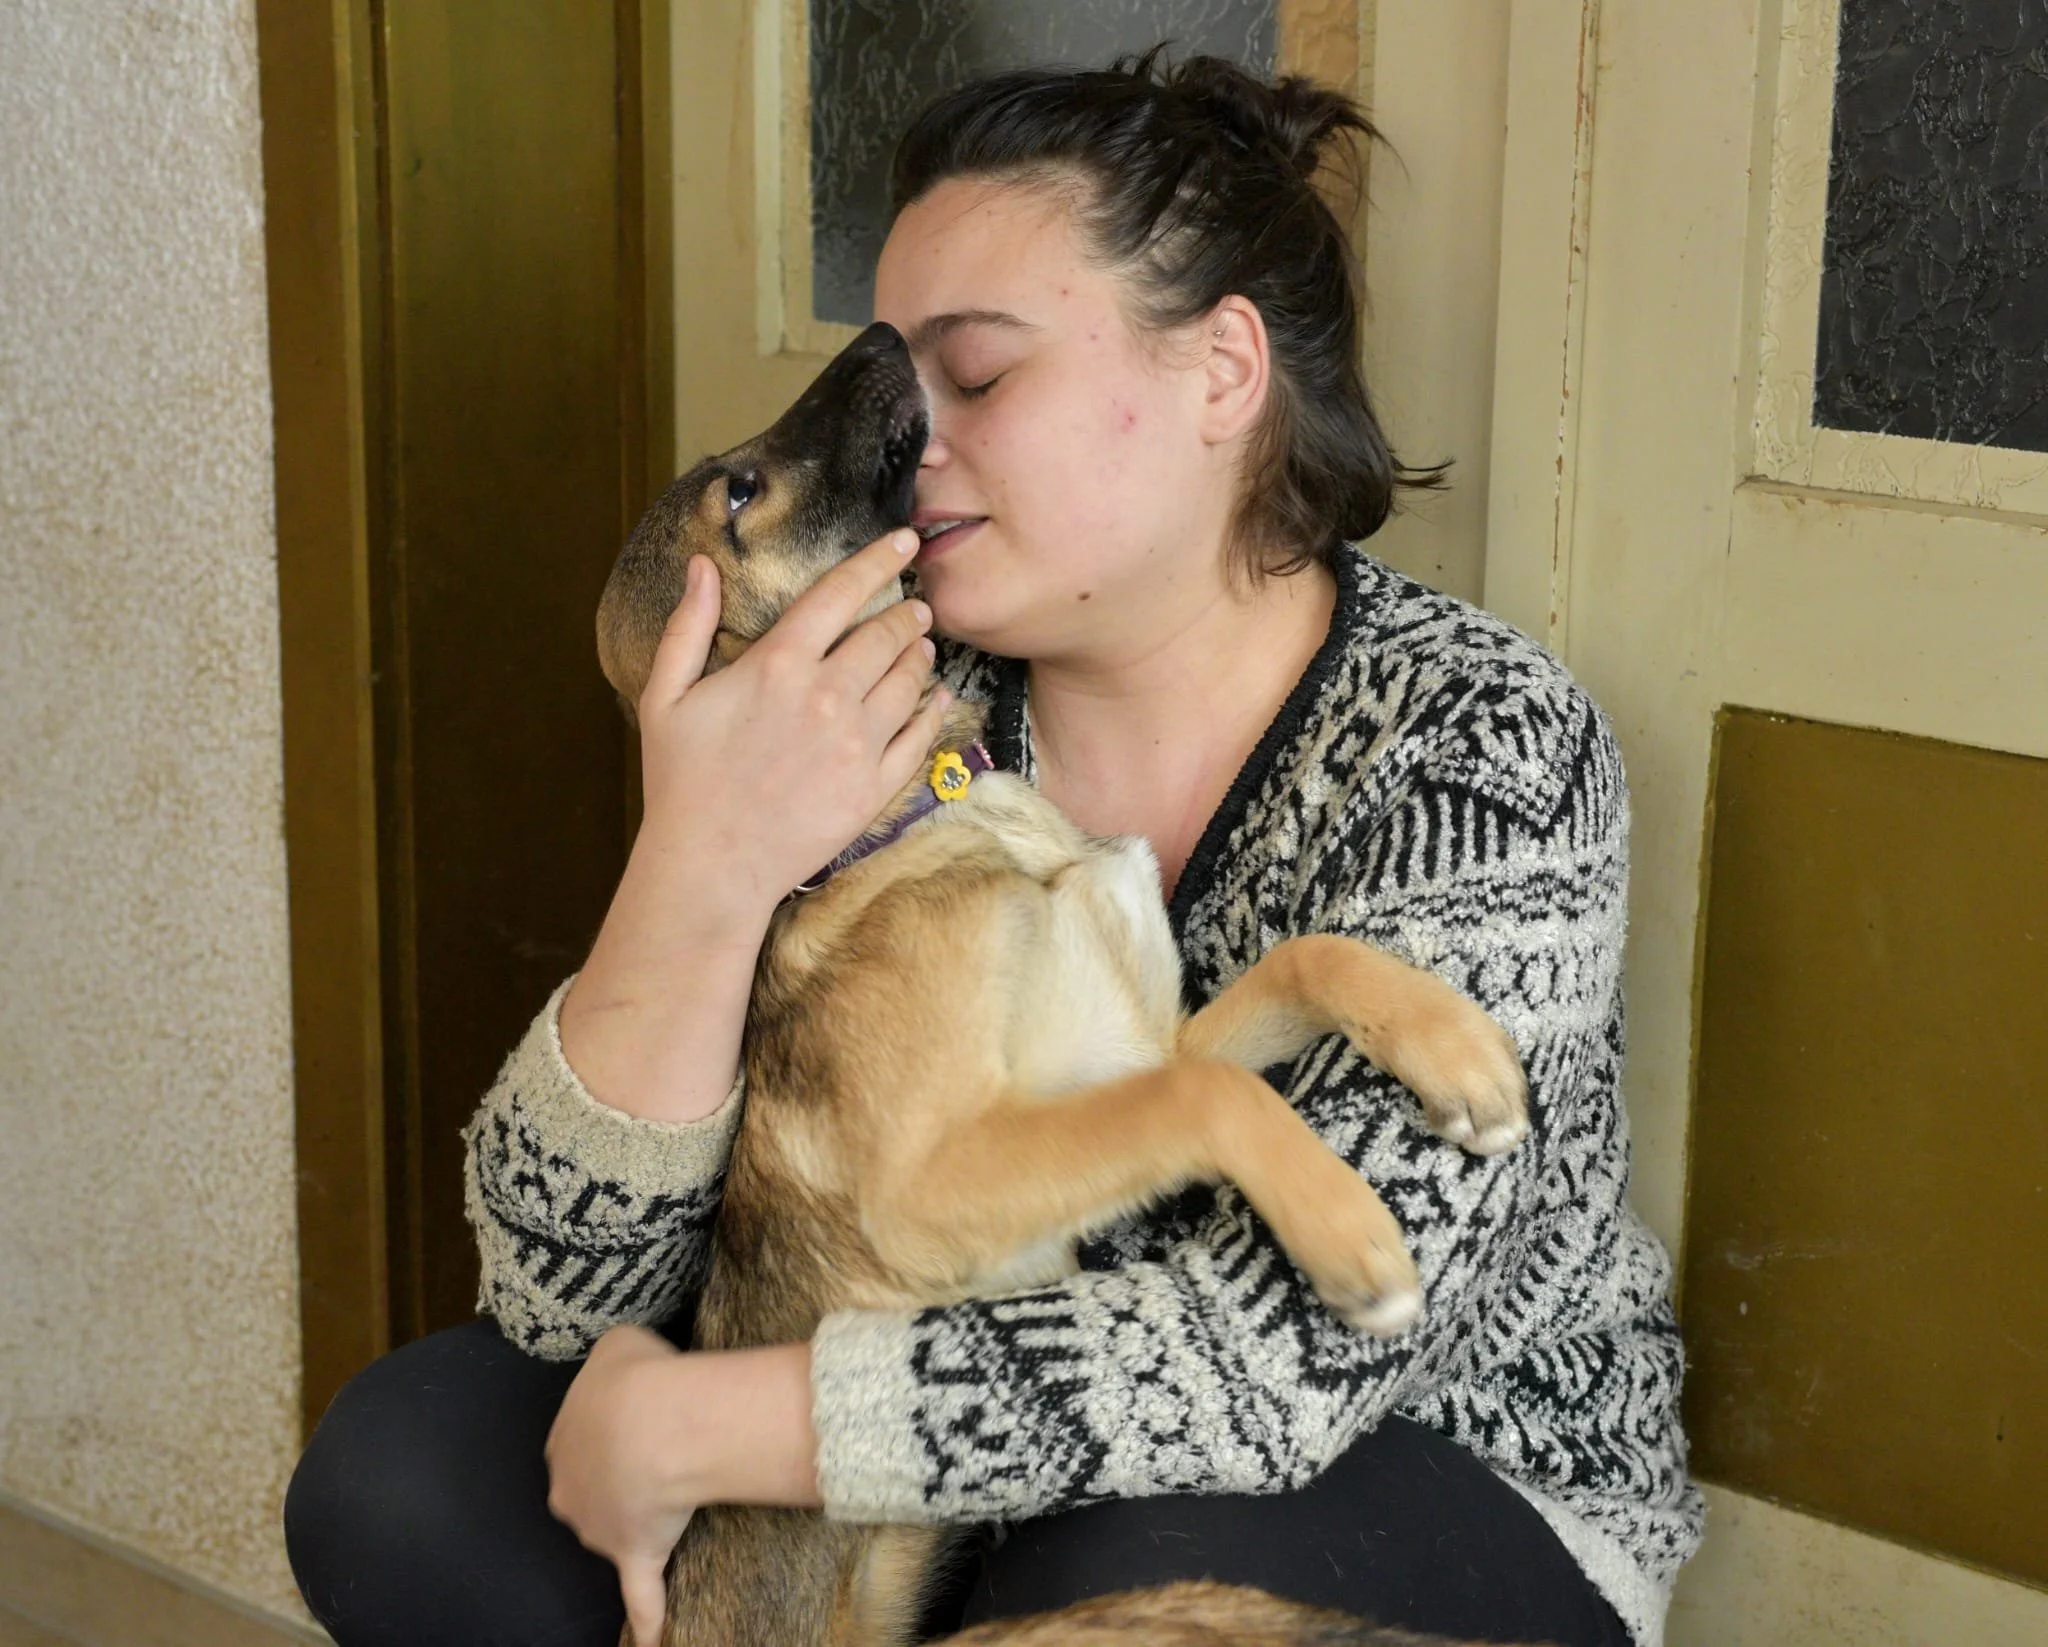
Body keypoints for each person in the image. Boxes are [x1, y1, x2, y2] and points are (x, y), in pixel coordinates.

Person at [285, 51, 1704, 1647]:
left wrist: (708, 1423)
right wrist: (702, 858)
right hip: (936, 1417)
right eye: (905, 383)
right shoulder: (893, 709)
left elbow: (1288, 1357)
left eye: (979, 375)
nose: (916, 443)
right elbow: (556, 1293)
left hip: (1411, 1463)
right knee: (406, 1478)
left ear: (1223, 371)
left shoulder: (1479, 742)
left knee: (1091, 1599)